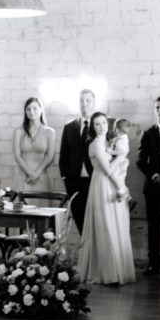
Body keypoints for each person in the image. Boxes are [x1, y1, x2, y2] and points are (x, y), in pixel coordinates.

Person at [77, 112, 136, 286]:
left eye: (104, 122)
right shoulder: (95, 145)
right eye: (97, 124)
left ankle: (120, 269)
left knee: (117, 224)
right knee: (106, 225)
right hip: (103, 184)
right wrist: (121, 157)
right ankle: (106, 271)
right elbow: (108, 170)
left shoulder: (110, 142)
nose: (101, 126)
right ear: (92, 127)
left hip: (115, 183)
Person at [137, 97, 160, 276]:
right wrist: (153, 175)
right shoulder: (149, 134)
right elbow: (140, 161)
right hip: (153, 187)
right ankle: (154, 264)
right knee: (153, 227)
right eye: (157, 108)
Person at [59, 88, 97, 234]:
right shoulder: (69, 127)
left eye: (88, 100)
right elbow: (63, 157)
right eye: (81, 100)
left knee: (96, 224)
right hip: (74, 183)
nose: (84, 103)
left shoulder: (100, 124)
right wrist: (66, 180)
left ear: (94, 103)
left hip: (95, 181)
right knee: (80, 223)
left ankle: (95, 256)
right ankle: (86, 255)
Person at [12, 97, 56, 190]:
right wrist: (30, 174)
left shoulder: (49, 132)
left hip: (41, 177)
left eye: (35, 108)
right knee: (21, 204)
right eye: (28, 109)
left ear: (41, 109)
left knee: (42, 204)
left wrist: (36, 174)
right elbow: (17, 156)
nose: (31, 112)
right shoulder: (18, 132)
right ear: (25, 112)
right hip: (23, 177)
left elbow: (50, 157)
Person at [108, 118, 132, 201]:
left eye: (116, 129)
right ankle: (124, 194)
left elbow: (121, 151)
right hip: (121, 161)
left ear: (120, 130)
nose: (114, 131)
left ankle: (122, 193)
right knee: (120, 178)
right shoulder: (120, 138)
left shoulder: (122, 140)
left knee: (115, 176)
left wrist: (111, 151)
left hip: (120, 162)